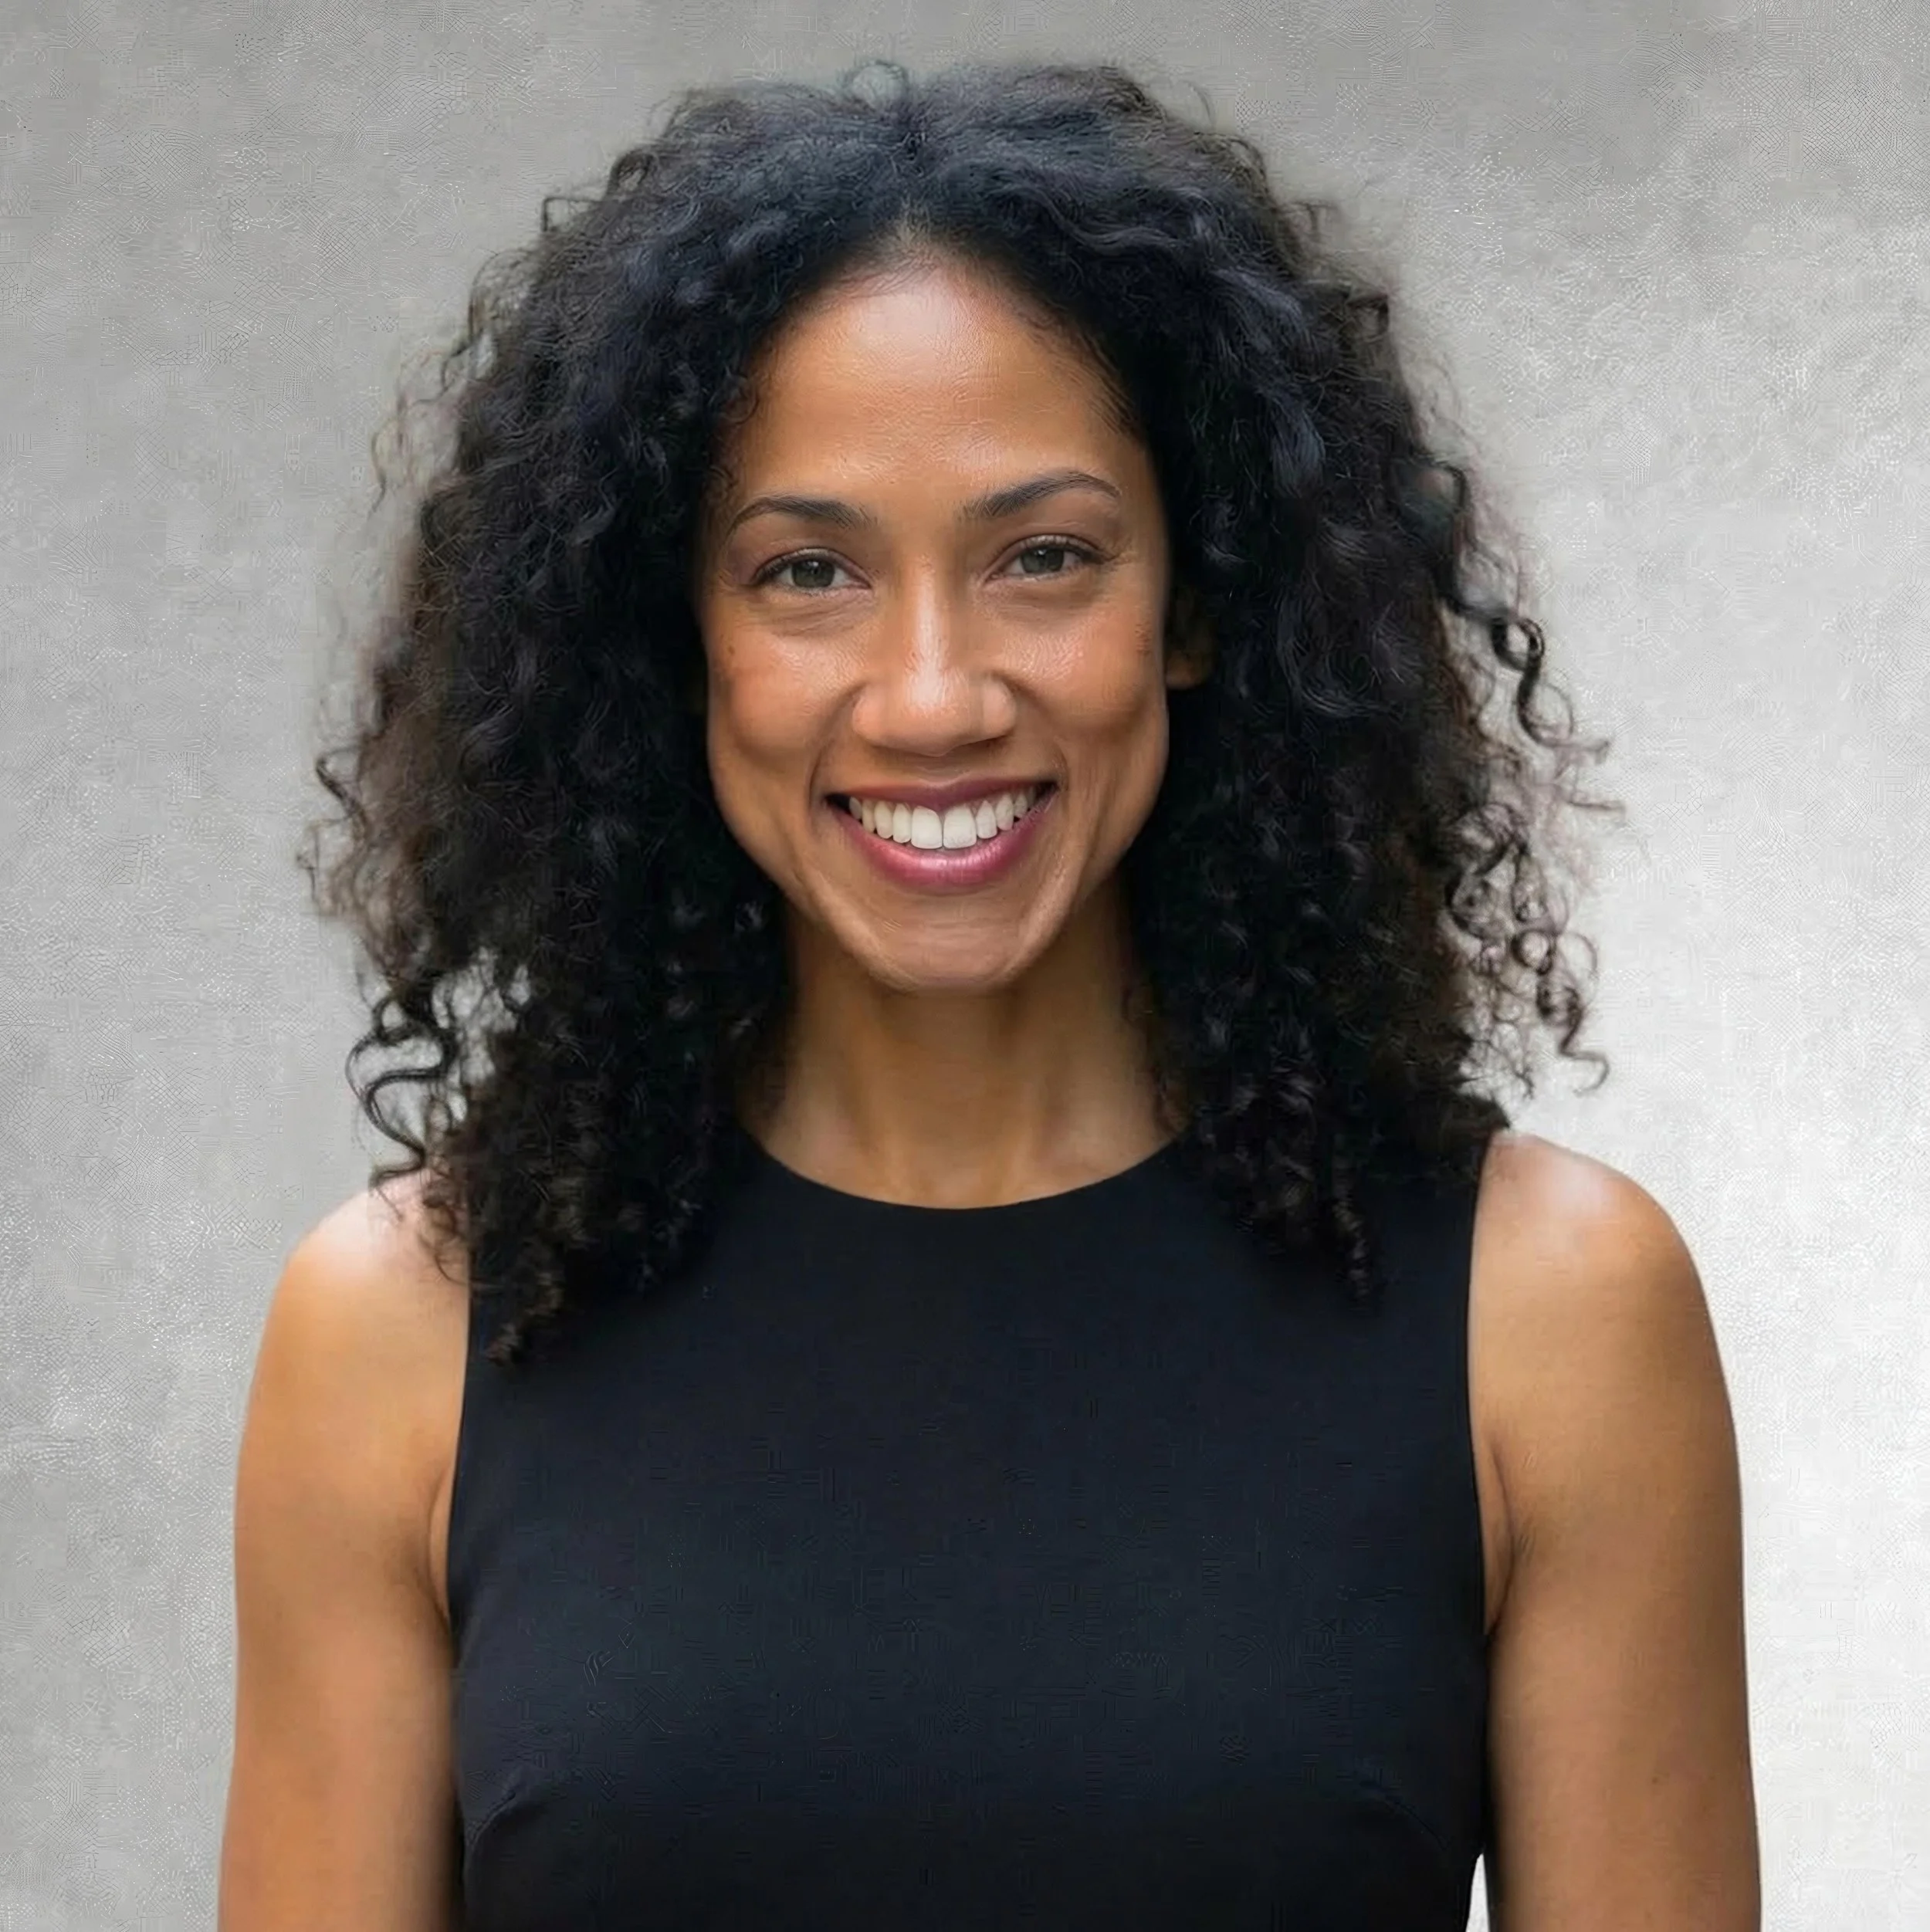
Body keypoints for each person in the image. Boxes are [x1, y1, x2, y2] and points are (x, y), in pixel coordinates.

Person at [219, 56, 1759, 1930]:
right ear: (674, 639)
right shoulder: (400, 1332)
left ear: (1198, 602)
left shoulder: (1545, 1315)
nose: (934, 696)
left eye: (1044, 558)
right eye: (807, 573)